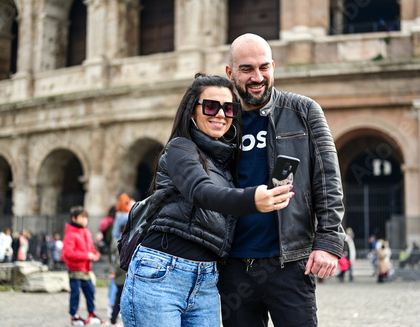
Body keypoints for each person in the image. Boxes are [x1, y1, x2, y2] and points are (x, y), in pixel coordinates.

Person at [120, 73, 293, 327]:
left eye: (229, 108)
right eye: (211, 106)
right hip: (161, 273)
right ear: (192, 111)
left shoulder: (225, 161)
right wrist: (253, 199)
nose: (221, 114)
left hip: (206, 280)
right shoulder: (180, 148)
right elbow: (201, 191)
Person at [218, 33, 345, 326]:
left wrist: (327, 242)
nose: (257, 77)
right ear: (229, 72)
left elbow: (327, 178)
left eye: (264, 67)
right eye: (246, 69)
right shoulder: (220, 121)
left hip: (289, 262)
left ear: (273, 66)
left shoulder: (303, 111)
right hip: (232, 265)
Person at [62, 206, 105, 326]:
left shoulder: (86, 231)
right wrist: (87, 255)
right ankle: (74, 315)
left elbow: (90, 248)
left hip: (86, 269)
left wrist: (95, 254)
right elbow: (68, 253)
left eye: (85, 218)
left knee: (90, 291)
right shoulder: (71, 233)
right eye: (82, 218)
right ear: (74, 218)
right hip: (75, 269)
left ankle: (91, 313)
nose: (84, 220)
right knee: (75, 294)